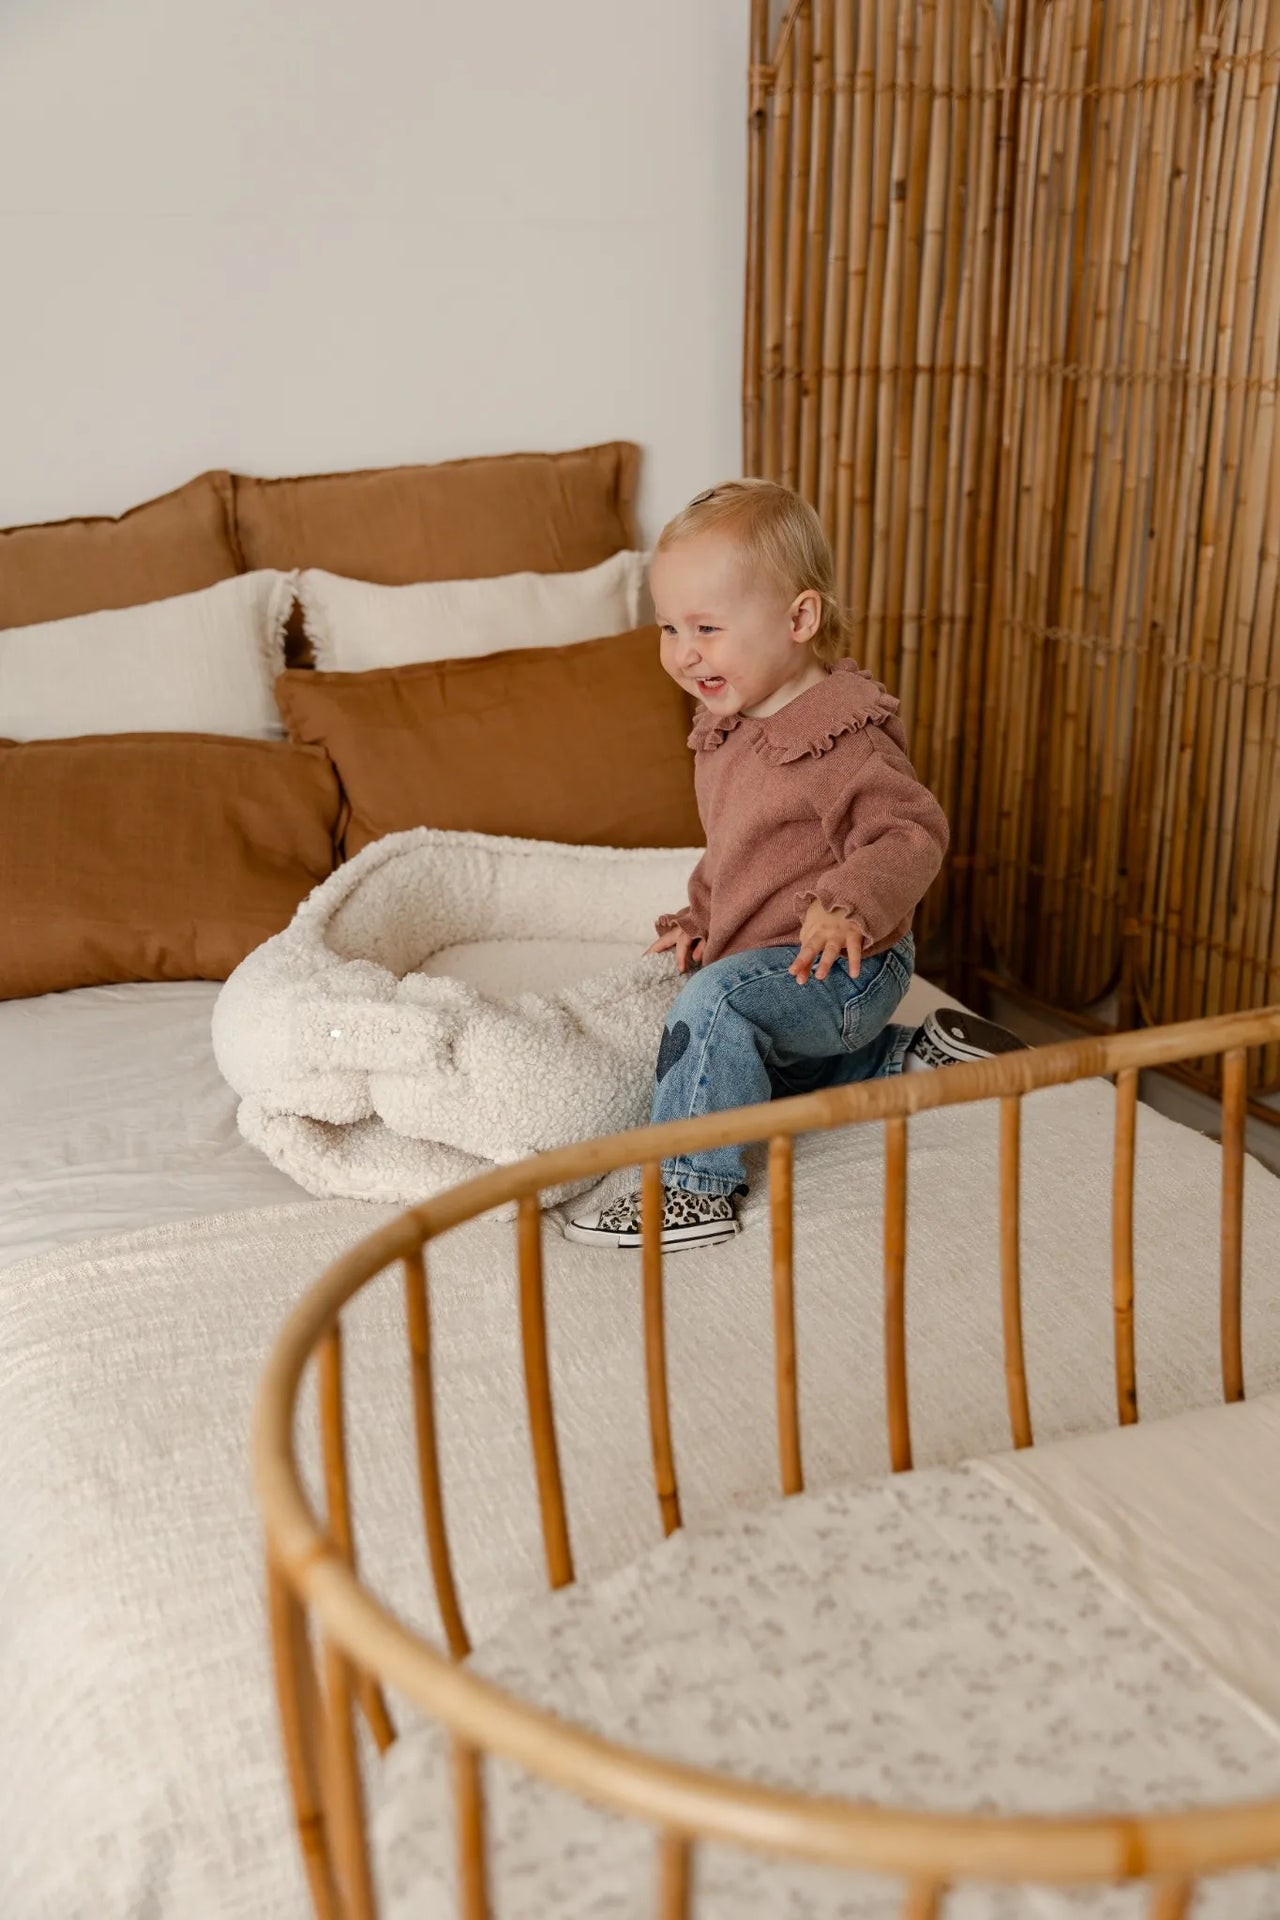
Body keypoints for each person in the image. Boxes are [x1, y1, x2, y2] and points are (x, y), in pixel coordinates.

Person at [566, 479, 1022, 1254]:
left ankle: (692, 1190)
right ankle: (908, 1061)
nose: (684, 652)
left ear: (799, 618)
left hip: (850, 965)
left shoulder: (841, 739)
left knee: (713, 1011)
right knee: (741, 1050)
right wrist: (699, 919)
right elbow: (737, 851)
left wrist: (848, 902)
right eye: (669, 627)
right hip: (785, 968)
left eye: (707, 626)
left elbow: (910, 833)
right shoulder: (730, 727)